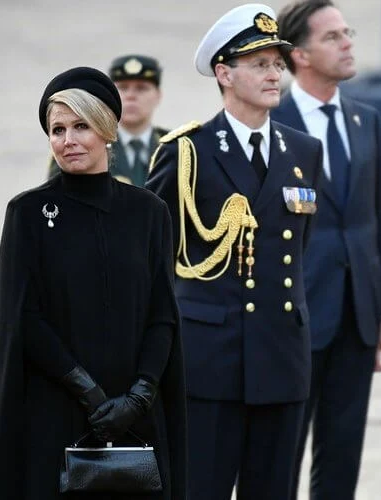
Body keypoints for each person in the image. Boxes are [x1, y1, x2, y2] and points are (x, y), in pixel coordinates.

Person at [145, 4, 323, 499]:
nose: (274, 75)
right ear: (224, 73)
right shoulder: (188, 153)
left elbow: (297, 252)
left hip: (282, 359)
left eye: (277, 63)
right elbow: (150, 257)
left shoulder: (304, 152)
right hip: (210, 363)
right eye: (259, 64)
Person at [0, 66, 187, 499]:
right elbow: (26, 318)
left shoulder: (148, 212)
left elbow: (162, 314)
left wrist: (139, 396)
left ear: (107, 129)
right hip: (57, 412)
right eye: (57, 130)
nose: (67, 140)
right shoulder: (29, 213)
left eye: (80, 126)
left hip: (137, 416)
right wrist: (90, 394)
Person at [271, 1, 381, 498]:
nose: (348, 43)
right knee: (280, 455)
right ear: (299, 55)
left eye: (347, 32)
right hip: (293, 318)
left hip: (357, 316)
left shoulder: (366, 120)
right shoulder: (272, 119)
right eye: (332, 37)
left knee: (342, 455)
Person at [47, 54, 168, 186]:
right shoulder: (84, 144)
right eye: (123, 87)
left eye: (141, 88)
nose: (131, 96)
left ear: (158, 95)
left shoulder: (174, 146)